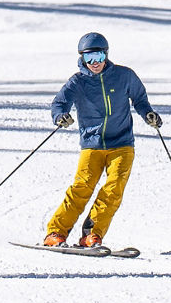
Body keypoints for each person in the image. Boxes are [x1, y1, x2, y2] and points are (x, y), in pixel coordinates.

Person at [44, 33, 158, 249]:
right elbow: (59, 104)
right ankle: (55, 233)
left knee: (114, 190)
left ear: (106, 54)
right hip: (92, 145)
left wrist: (148, 114)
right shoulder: (78, 82)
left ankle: (92, 235)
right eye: (89, 58)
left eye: (98, 56)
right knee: (82, 187)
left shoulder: (124, 76)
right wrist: (61, 117)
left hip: (122, 143)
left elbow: (140, 99)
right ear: (82, 59)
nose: (95, 63)